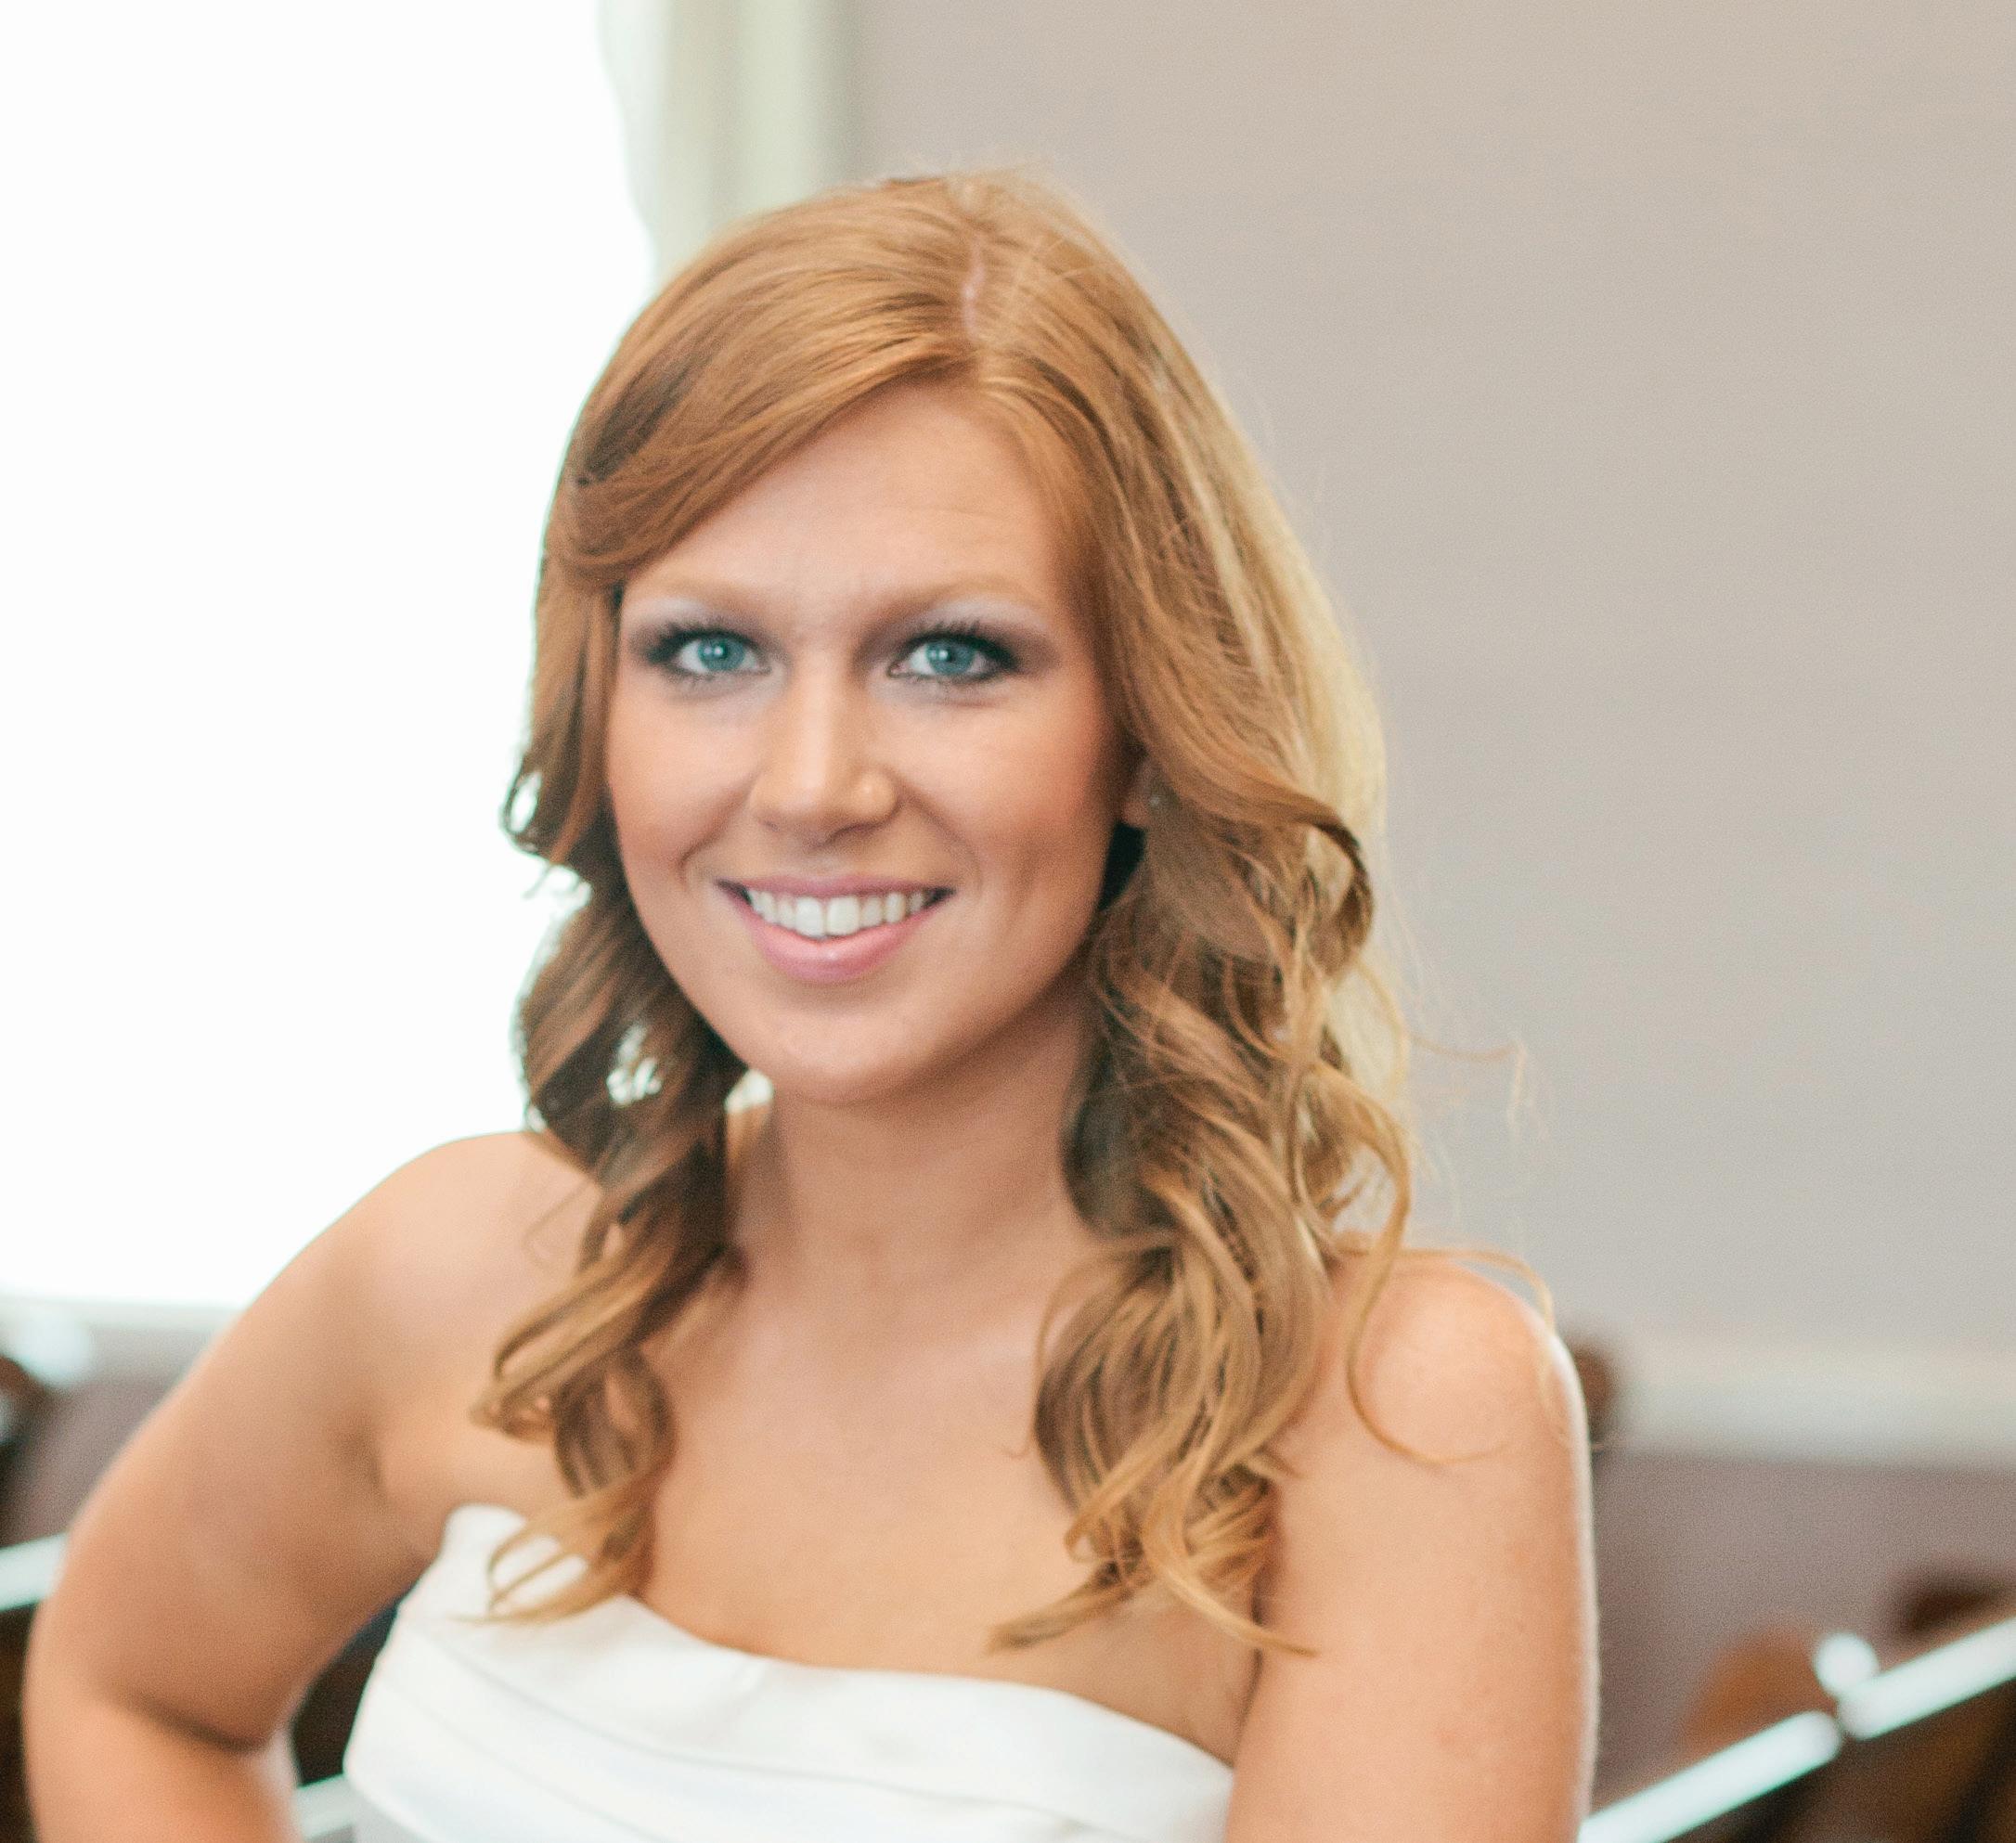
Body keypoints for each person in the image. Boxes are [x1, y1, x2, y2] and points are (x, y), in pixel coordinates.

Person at [22, 167, 1597, 1841]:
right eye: (711, 652)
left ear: (1148, 729)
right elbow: (131, 1689)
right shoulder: (459, 1270)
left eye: (949, 655)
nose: (811, 785)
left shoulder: (1392, 1416)